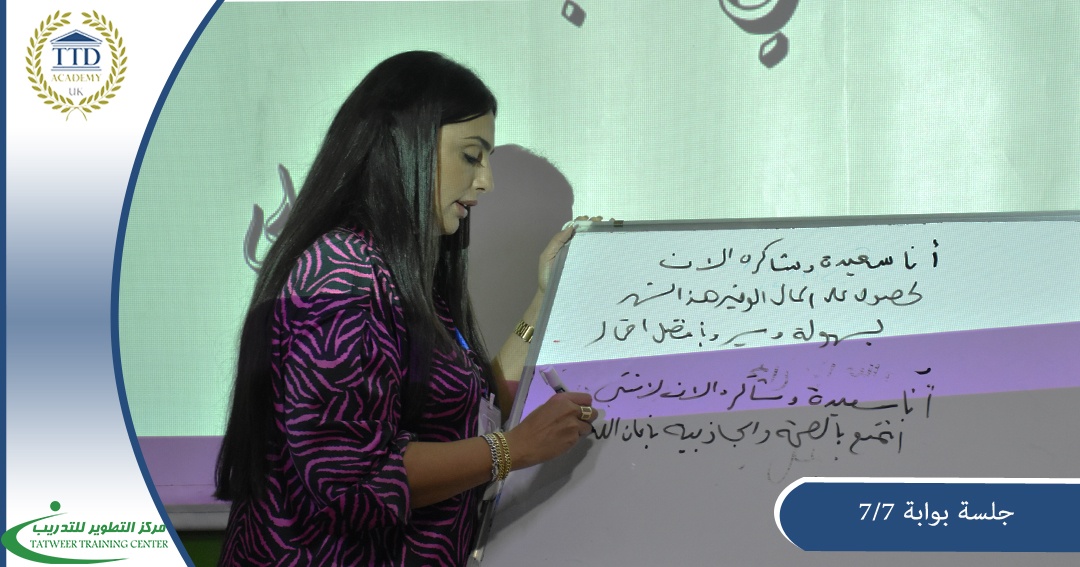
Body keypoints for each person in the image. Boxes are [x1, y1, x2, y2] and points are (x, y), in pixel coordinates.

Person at [214, 51, 597, 566]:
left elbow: (474, 412)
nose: (486, 181)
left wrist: (541, 299)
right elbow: (353, 479)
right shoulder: (343, 273)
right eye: (471, 156)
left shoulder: (400, 275)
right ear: (403, 145)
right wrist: (513, 449)